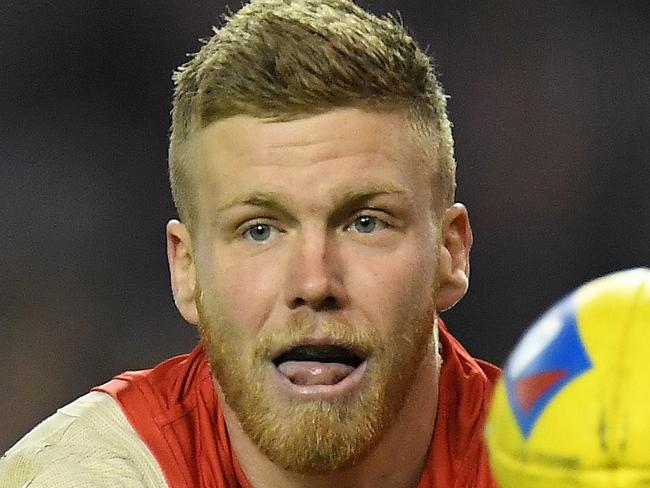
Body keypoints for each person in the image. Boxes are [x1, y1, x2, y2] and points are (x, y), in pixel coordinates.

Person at [0, 1, 500, 486]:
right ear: (187, 270)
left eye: (365, 223)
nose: (314, 282)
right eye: (259, 230)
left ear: (450, 253)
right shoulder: (82, 475)